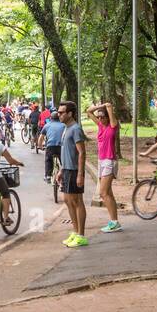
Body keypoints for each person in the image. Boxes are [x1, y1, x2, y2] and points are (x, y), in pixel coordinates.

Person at [56, 101, 88, 246]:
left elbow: (82, 152)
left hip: (75, 170)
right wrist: (62, 169)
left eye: (62, 112)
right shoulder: (66, 128)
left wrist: (80, 174)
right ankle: (75, 232)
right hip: (67, 170)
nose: (59, 115)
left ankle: (81, 235)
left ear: (70, 113)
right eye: (58, 112)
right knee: (68, 201)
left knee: (77, 201)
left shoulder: (75, 129)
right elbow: (66, 152)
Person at [87, 101, 122, 232]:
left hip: (109, 161)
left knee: (103, 193)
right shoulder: (101, 126)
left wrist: (108, 107)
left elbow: (110, 111)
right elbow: (89, 111)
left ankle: (114, 222)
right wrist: (99, 107)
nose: (100, 119)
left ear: (108, 117)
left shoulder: (113, 126)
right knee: (108, 193)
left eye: (103, 117)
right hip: (102, 161)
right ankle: (115, 221)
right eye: (99, 117)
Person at [41, 109, 65, 183]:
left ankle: (48, 176)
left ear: (50, 118)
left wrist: (40, 146)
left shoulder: (47, 125)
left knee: (48, 160)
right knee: (63, 161)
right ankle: (65, 175)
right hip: (61, 146)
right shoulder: (64, 125)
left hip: (50, 146)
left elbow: (41, 138)